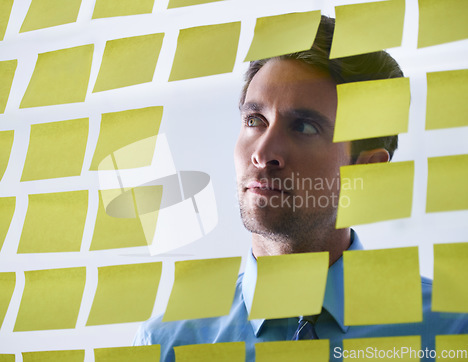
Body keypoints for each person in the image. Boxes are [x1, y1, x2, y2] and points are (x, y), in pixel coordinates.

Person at [134, 15, 468, 361]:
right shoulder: (167, 345)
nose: (263, 154)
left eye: (304, 127)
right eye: (254, 121)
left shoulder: (451, 331)